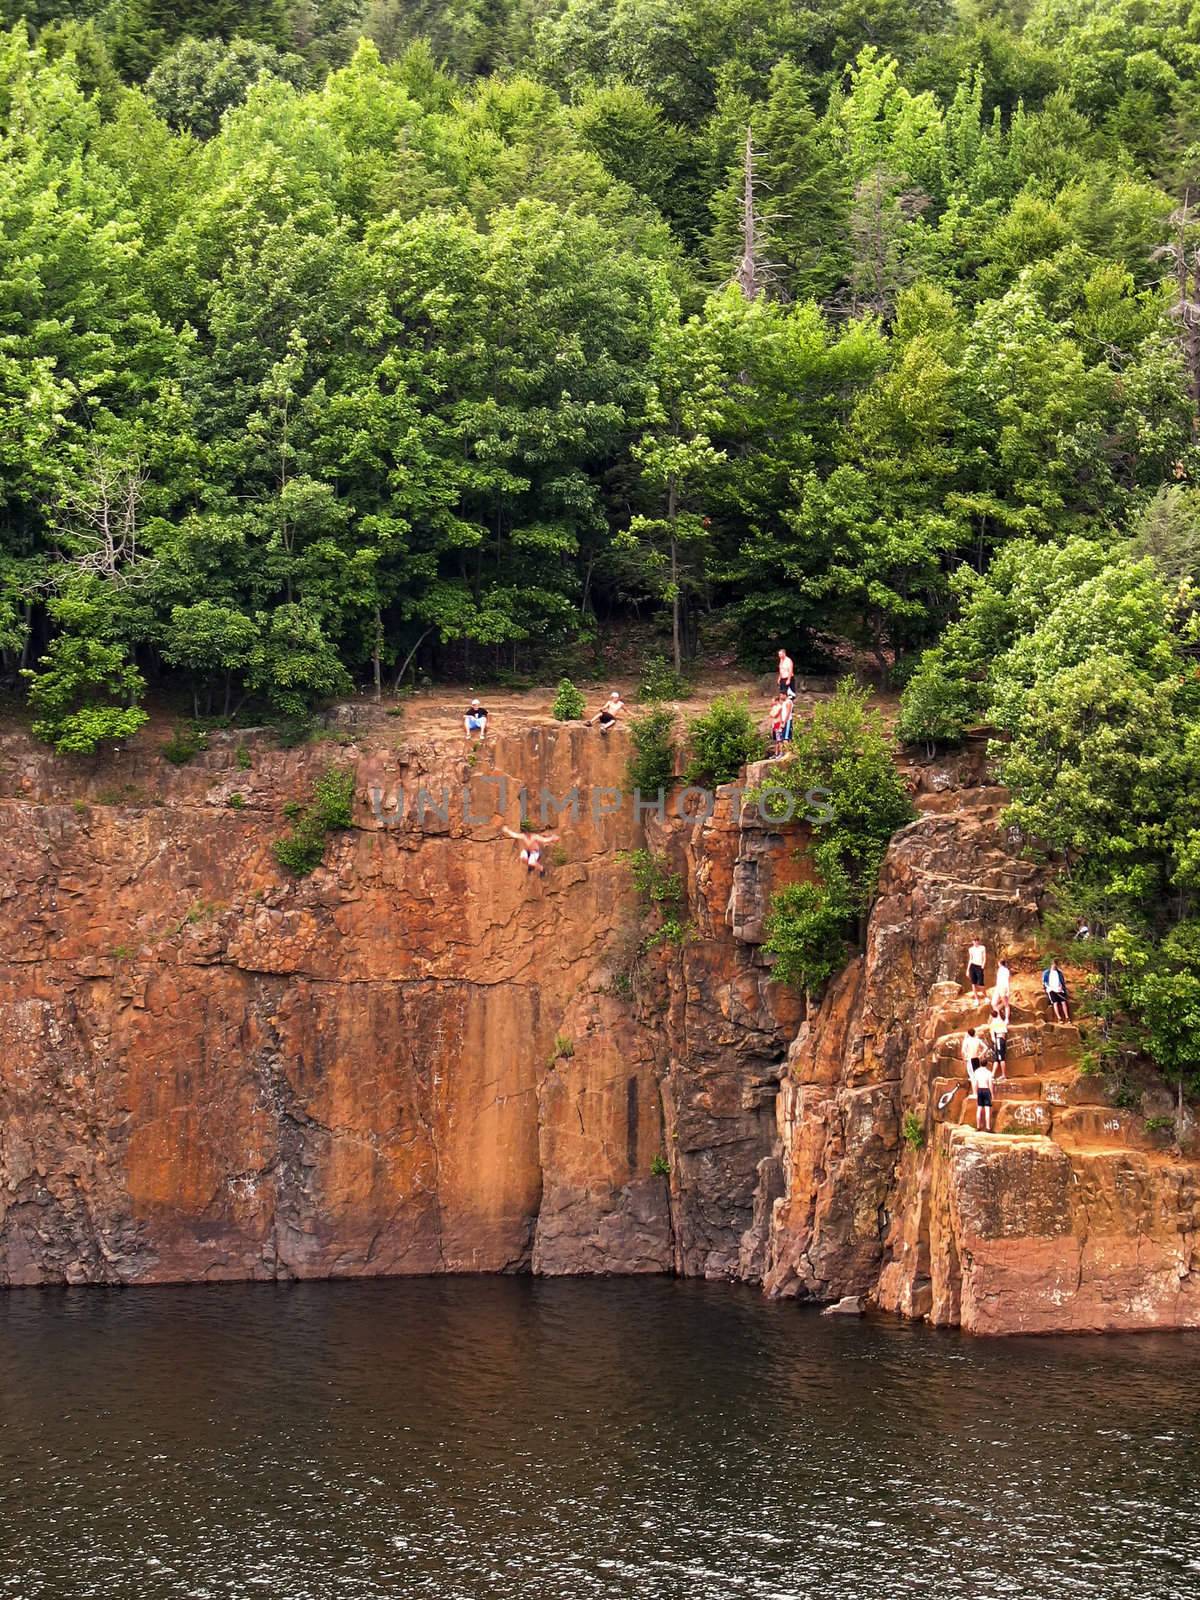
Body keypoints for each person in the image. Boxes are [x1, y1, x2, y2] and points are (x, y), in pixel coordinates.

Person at [1043, 958, 1070, 1023]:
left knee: (1063, 1002)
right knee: (1055, 1003)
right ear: (1051, 964)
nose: (1055, 966)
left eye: (1056, 965)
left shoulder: (1059, 972)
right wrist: (1050, 988)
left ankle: (1067, 1017)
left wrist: (1061, 987)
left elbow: (1062, 981)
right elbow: (1045, 982)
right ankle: (1059, 1018)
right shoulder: (1047, 973)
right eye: (1054, 965)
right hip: (1051, 990)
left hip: (1059, 989)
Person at [973, 1059, 996, 1131]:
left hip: (980, 1090)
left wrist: (975, 1092)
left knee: (979, 1108)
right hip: (986, 1090)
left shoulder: (976, 1072)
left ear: (980, 1063)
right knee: (987, 1109)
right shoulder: (989, 1073)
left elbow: (975, 1083)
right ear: (987, 1064)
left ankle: (978, 1126)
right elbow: (990, 1084)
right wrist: (992, 1094)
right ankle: (988, 1127)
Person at [990, 955, 1011, 1022]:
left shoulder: (1006, 970)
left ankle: (1006, 1019)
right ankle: (998, 1018)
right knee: (993, 1003)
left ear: (1000, 963)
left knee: (1006, 1004)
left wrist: (1007, 991)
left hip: (1003, 987)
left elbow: (1006, 980)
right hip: (998, 987)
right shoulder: (999, 970)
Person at [988, 1012, 1008, 1080]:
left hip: (998, 1040)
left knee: (1001, 1058)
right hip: (1003, 1040)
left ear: (991, 1016)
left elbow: (993, 1037)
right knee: (996, 1059)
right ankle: (992, 1074)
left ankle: (1003, 1075)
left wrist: (995, 1044)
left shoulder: (993, 1024)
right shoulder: (1002, 1021)